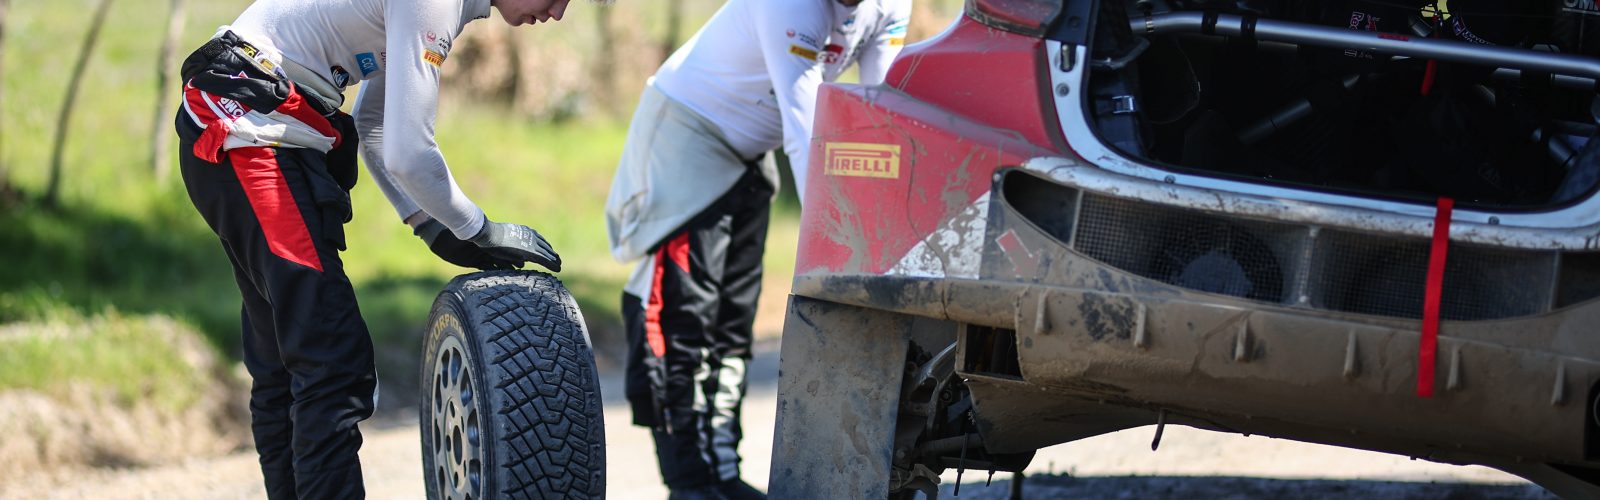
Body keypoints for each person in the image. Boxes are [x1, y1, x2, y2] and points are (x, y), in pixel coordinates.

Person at [172, 0, 578, 497]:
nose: (559, 12)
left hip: (249, 124)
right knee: (330, 360)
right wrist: (478, 227)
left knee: (287, 359)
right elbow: (410, 151)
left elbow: (375, 125)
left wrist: (428, 224)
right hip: (250, 134)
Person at [604, 0, 911, 497]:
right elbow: (806, 133)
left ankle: (722, 471)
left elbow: (880, 115)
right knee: (683, 312)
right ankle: (689, 480)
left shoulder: (891, 5)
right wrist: (837, 245)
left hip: (751, 147)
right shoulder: (790, 5)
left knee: (733, 320)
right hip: (691, 130)